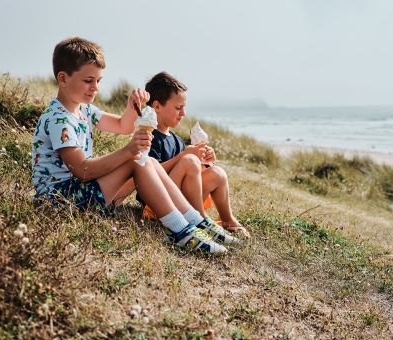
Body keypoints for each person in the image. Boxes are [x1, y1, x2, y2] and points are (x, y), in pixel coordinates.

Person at [30, 37, 234, 254]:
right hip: (60, 202)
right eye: (89, 80)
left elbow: (122, 125)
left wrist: (131, 106)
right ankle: (182, 232)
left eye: (99, 81)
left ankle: (195, 221)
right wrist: (129, 151)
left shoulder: (84, 110)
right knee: (137, 160)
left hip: (78, 193)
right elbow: (82, 170)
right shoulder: (59, 119)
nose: (95, 88)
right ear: (63, 78)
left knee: (148, 161)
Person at [142, 71, 250, 238]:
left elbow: (188, 175)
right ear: (157, 106)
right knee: (189, 160)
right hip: (159, 203)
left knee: (217, 173)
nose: (183, 113)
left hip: (181, 199)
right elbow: (148, 173)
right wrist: (185, 157)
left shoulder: (176, 140)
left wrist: (205, 162)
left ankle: (228, 219)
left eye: (184, 108)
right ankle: (201, 220)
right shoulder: (149, 136)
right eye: (178, 108)